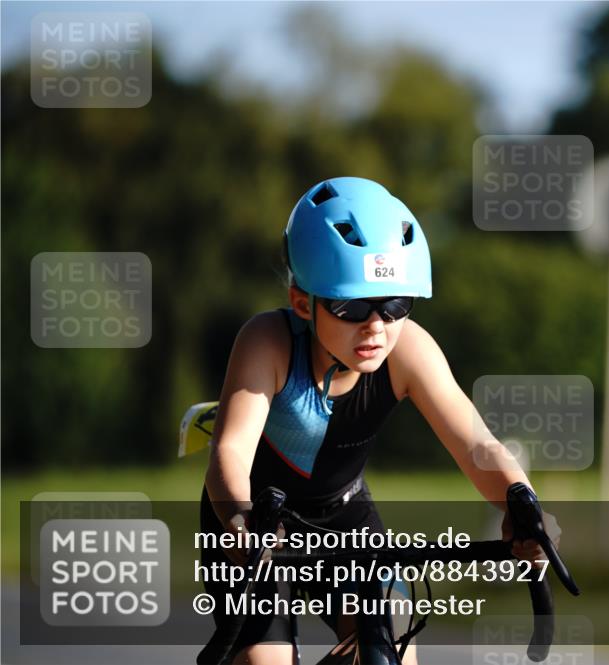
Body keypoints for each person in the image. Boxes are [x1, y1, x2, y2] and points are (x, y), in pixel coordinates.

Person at [198, 177, 549, 665]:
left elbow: (476, 445)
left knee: (395, 648)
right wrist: (241, 521)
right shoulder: (268, 342)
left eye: (395, 304)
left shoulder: (409, 350)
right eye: (352, 306)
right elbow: (230, 449)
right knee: (265, 660)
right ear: (304, 302)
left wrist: (522, 500)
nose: (376, 326)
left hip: (345, 516)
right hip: (259, 521)